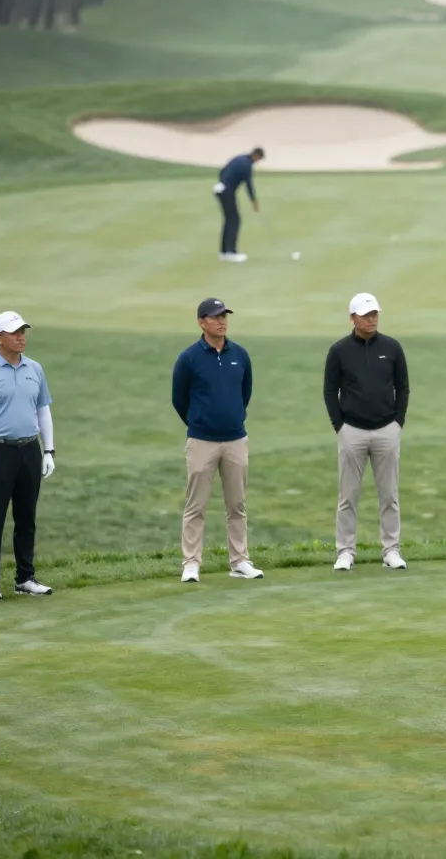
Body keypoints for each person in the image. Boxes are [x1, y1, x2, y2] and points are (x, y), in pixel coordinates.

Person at [0, 311, 57, 601]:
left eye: (23, 332)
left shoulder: (35, 369)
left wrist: (49, 450)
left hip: (29, 449)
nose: (21, 337)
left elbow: (43, 410)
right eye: (15, 332)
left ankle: (25, 578)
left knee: (26, 517)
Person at [172, 297, 263, 583]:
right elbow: (179, 399)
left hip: (236, 440)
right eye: (215, 317)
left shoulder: (240, 354)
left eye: (224, 316)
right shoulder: (189, 358)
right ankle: (191, 563)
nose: (222, 321)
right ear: (201, 322)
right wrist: (199, 422)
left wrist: (232, 418)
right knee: (196, 505)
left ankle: (239, 561)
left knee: (236, 505)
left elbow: (245, 393)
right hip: (202, 441)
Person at [323, 292, 410, 571]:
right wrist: (340, 425)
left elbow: (403, 387)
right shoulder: (339, 351)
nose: (372, 319)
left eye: (374, 314)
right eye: (366, 315)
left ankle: (391, 550)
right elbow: (329, 391)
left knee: (390, 496)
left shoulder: (392, 347)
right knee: (347, 496)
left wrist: (398, 422)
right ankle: (345, 552)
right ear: (353, 318)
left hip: (387, 429)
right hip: (352, 431)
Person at [213, 147, 264, 264]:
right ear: (256, 156)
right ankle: (230, 252)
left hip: (219, 189)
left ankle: (224, 252)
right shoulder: (247, 165)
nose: (257, 162)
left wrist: (223, 182)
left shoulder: (239, 158)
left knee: (229, 220)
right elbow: (248, 184)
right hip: (227, 191)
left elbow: (222, 171)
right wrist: (253, 201)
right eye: (258, 160)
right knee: (234, 220)